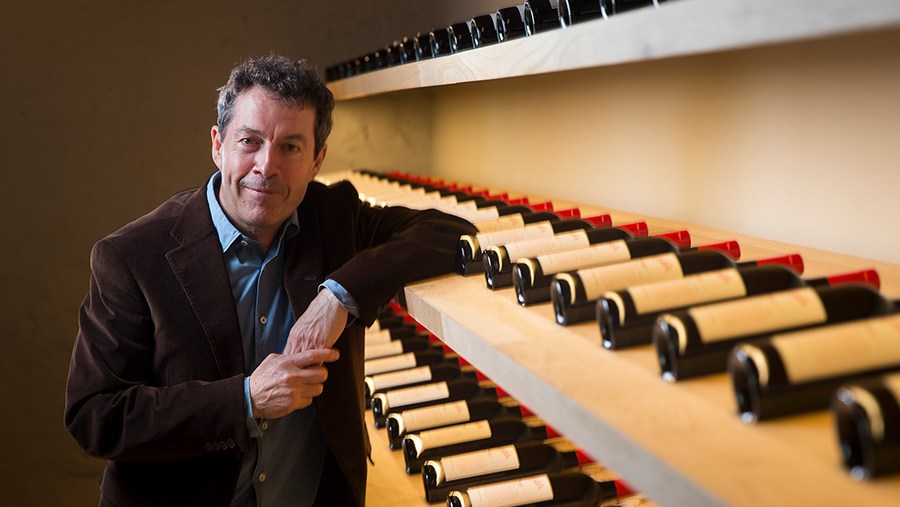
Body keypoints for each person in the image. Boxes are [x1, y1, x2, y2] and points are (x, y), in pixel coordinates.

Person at [64, 54, 475, 507]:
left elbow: (447, 230)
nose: (267, 166)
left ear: (318, 160)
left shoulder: (333, 218)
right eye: (250, 141)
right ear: (218, 145)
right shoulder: (131, 257)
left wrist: (337, 297)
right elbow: (96, 416)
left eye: (291, 147)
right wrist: (244, 401)